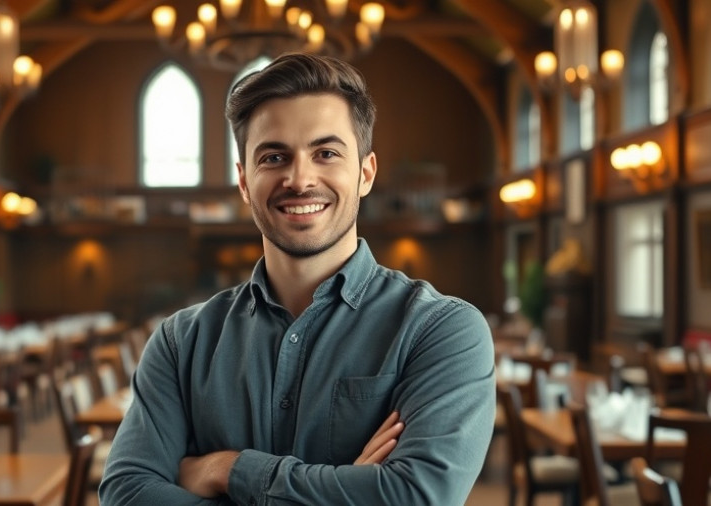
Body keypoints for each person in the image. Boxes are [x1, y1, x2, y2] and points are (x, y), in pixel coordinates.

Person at [99, 52, 495, 505]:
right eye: (274, 156)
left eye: (326, 153)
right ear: (245, 182)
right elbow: (127, 496)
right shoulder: (179, 342)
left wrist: (226, 469)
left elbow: (416, 497)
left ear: (365, 173)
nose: (300, 179)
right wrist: (347, 487)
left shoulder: (442, 331)